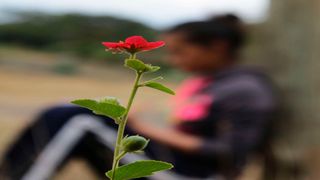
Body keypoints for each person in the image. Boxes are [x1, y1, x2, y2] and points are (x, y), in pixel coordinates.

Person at [0, 14, 277, 180]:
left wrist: (143, 127)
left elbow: (228, 151)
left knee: (79, 121)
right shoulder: (213, 83)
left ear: (218, 47)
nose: (173, 59)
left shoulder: (246, 89)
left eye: (180, 51)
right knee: (66, 113)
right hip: (177, 163)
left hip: (194, 175)